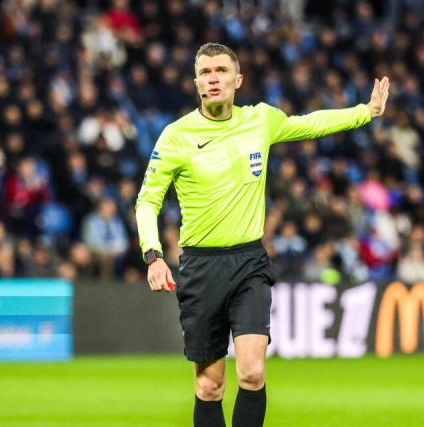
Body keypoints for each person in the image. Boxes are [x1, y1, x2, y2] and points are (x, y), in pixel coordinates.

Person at [135, 43, 390, 427]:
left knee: (252, 373)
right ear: (196, 83)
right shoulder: (176, 136)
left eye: (221, 70)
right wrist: (153, 256)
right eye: (205, 72)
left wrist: (364, 113)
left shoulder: (260, 120)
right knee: (210, 388)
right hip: (201, 268)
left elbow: (310, 123)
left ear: (238, 80)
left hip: (250, 262)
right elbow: (146, 201)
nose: (213, 78)